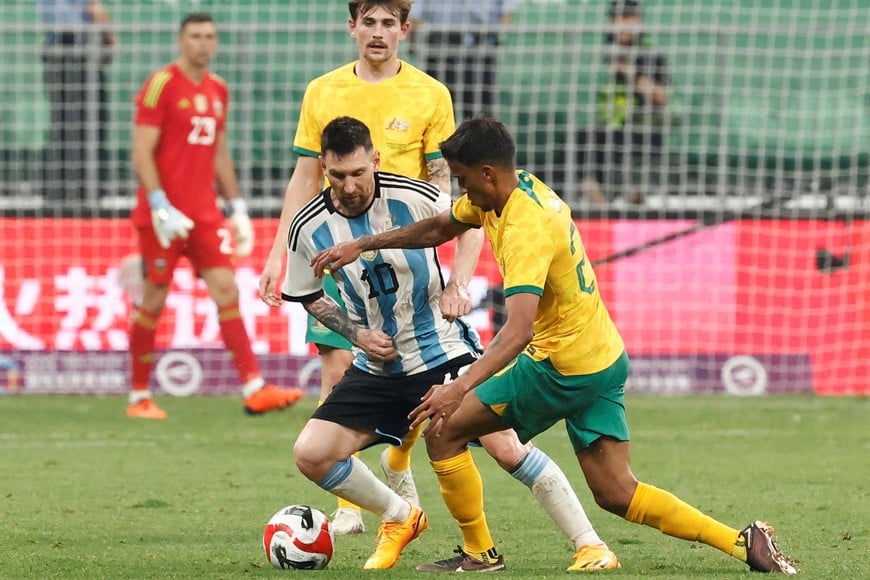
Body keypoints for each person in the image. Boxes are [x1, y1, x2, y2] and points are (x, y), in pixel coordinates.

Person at [310, 115, 799, 575]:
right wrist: (366, 244)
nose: (460, 190)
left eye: (462, 180)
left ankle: (480, 554)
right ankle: (743, 541)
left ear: (485, 172)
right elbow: (442, 227)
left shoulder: (526, 227)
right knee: (616, 492)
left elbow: (518, 331)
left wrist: (458, 388)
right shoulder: (509, 188)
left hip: (561, 365)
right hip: (603, 356)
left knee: (444, 429)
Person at [285, 116, 619, 572]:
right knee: (311, 453)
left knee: (503, 446)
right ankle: (402, 516)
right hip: (377, 367)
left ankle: (590, 543)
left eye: (358, 173)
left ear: (375, 161)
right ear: (323, 167)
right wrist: (355, 333)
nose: (349, 186)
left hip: (441, 347)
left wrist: (458, 284)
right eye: (338, 175)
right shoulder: (307, 226)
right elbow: (307, 293)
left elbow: (468, 222)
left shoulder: (413, 195)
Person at [258, 0, 476, 536]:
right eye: (368, 22)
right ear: (351, 27)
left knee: (420, 381)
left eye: (388, 23)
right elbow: (306, 176)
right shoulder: (322, 91)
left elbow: (441, 180)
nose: (377, 33)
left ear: (404, 29)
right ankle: (352, 507)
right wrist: (277, 252)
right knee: (339, 369)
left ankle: (398, 477)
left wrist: (445, 259)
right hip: (333, 247)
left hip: (405, 254)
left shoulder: (430, 94)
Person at [126, 12, 303, 419]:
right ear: (180, 40)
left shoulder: (218, 89)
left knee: (226, 291)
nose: (202, 43)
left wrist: (236, 207)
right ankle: (138, 395)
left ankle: (253, 386)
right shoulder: (161, 85)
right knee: (154, 298)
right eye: (195, 36)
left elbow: (219, 152)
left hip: (204, 214)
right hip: (162, 216)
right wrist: (158, 203)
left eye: (209, 36)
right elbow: (141, 150)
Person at [577, 0, 668, 205]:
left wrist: (630, 72)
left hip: (642, 129)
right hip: (610, 130)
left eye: (626, 18)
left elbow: (661, 97)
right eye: (616, 18)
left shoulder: (649, 55)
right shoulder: (606, 53)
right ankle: (601, 207)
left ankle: (628, 199)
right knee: (578, 143)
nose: (621, 24)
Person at [37, 0, 114, 200]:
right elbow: (94, 8)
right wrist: (111, 38)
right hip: (80, 51)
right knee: (91, 123)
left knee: (63, 123)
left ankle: (59, 191)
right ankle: (88, 192)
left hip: (58, 50)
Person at [409, 0, 519, 121]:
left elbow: (506, 14)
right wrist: (415, 45)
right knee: (439, 117)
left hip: (481, 48)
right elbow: (415, 15)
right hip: (441, 48)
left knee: (481, 121)